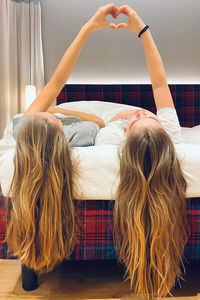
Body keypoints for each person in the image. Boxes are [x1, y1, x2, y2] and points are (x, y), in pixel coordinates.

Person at [5, 3, 120, 274]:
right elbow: (99, 121)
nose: (47, 114)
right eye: (52, 120)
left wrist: (56, 110)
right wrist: (88, 28)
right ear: (60, 134)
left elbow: (56, 84)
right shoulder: (79, 134)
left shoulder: (25, 127)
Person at [95, 5, 188, 298]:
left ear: (126, 139)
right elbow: (159, 82)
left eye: (137, 118)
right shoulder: (170, 132)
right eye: (145, 115)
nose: (137, 113)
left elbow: (103, 124)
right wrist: (143, 30)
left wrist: (118, 122)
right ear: (160, 124)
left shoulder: (111, 142)